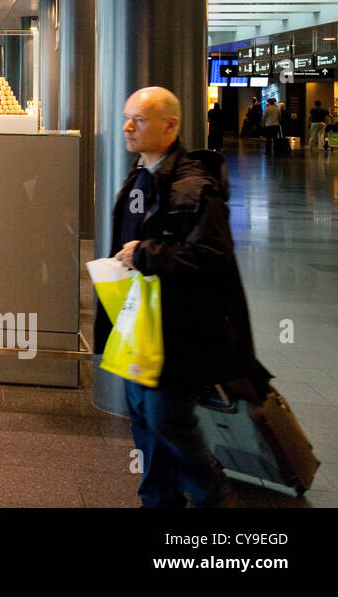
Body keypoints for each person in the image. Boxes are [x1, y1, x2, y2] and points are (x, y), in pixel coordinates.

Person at [107, 86, 265, 508]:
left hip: (178, 330)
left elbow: (211, 256)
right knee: (144, 422)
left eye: (138, 119)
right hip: (142, 324)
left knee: (167, 421)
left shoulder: (195, 186)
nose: (127, 126)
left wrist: (143, 253)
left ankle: (215, 496)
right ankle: (158, 500)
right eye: (127, 117)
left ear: (170, 124)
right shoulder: (138, 176)